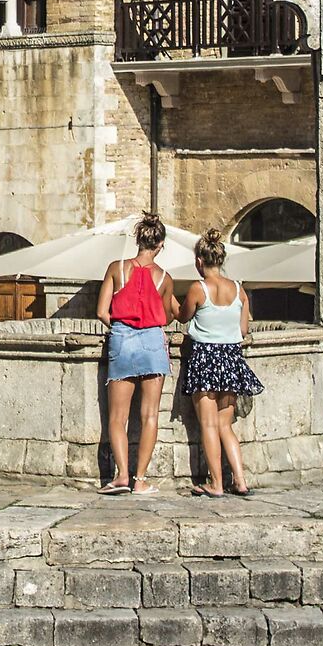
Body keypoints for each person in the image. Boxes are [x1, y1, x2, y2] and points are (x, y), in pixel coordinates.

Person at [177, 229, 262, 498]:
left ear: (200, 261)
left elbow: (182, 316)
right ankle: (240, 480)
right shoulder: (239, 290)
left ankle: (215, 483)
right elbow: (244, 330)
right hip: (231, 359)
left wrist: (168, 298)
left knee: (209, 426)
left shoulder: (197, 289)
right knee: (226, 425)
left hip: (204, 359)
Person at [96, 212, 177, 495]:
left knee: (117, 417)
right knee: (150, 415)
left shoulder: (116, 268)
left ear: (138, 240)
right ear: (161, 245)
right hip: (153, 342)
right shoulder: (165, 278)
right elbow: (165, 316)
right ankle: (140, 480)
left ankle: (121, 476)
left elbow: (101, 311)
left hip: (122, 339)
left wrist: (121, 327)